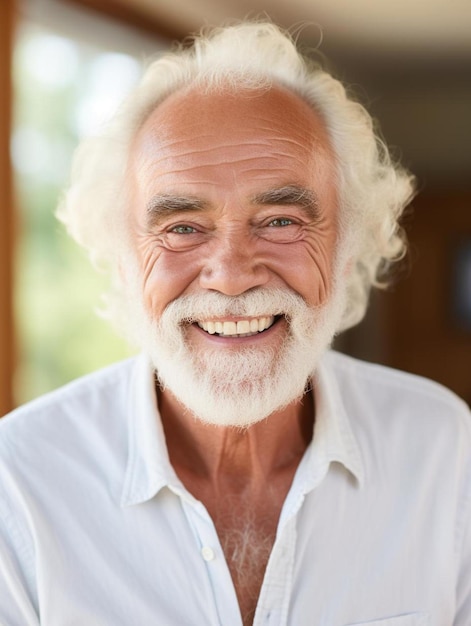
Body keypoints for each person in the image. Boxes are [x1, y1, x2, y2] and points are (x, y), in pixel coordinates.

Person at [0, 21, 470, 626]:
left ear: (348, 245)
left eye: (279, 220)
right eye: (182, 227)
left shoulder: (438, 447)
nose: (230, 275)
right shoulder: (19, 481)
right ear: (121, 261)